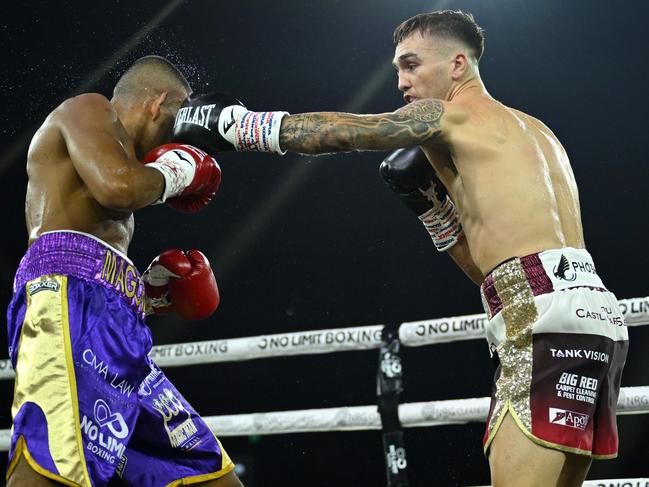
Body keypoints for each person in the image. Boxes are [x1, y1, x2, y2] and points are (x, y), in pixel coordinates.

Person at [172, 10, 629, 487]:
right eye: (397, 70)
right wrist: (435, 212)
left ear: (457, 65)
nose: (402, 82)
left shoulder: (447, 115)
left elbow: (348, 132)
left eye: (411, 65)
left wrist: (238, 125)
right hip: (592, 318)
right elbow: (502, 271)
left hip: (539, 322)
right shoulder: (538, 132)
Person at [6, 55, 242, 487]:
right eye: (175, 124)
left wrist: (146, 292)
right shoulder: (89, 109)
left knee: (204, 472)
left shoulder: (124, 187)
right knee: (52, 469)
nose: (174, 141)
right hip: (64, 303)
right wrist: (176, 170)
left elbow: (102, 250)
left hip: (116, 329)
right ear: (158, 104)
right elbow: (118, 189)